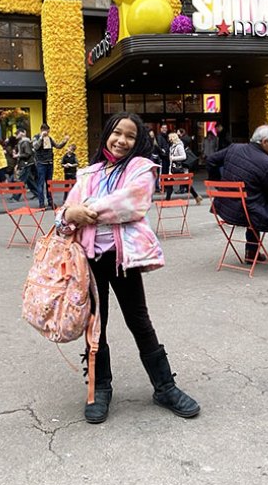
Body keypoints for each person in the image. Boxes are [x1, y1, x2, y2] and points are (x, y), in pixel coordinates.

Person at [56, 111, 200, 424]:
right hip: (88, 260)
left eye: (130, 136)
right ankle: (100, 387)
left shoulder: (141, 168)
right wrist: (68, 215)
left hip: (122, 259)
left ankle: (164, 386)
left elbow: (132, 204)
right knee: (96, 325)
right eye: (116, 133)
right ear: (107, 134)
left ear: (138, 141)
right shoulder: (88, 174)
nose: (122, 140)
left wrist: (82, 211)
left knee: (139, 321)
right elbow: (62, 218)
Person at [206, 125, 268, 273]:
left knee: (254, 203)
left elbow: (210, 160)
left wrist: (218, 183)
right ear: (264, 142)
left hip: (226, 208)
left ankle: (251, 252)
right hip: (248, 214)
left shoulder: (234, 148)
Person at [33, 123, 70, 209]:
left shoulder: (49, 138)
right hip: (41, 164)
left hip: (49, 163)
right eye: (46, 132)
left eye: (48, 132)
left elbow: (57, 146)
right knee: (41, 183)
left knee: (49, 184)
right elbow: (35, 147)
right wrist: (41, 137)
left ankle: (50, 202)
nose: (47, 134)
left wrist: (64, 141)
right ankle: (41, 203)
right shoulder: (36, 137)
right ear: (42, 130)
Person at [166, 132, 202, 204]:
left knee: (186, 184)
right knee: (171, 184)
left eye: (170, 138)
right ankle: (197, 197)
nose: (169, 139)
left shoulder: (179, 146)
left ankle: (196, 197)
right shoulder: (172, 147)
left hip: (180, 169)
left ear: (173, 138)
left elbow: (184, 156)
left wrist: (173, 158)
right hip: (174, 169)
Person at [13, 130, 37, 201]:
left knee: (21, 180)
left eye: (17, 133)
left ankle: (16, 196)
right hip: (26, 163)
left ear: (22, 133)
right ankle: (38, 194)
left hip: (26, 163)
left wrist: (18, 155)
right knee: (30, 181)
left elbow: (28, 153)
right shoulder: (22, 142)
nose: (16, 135)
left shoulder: (25, 142)